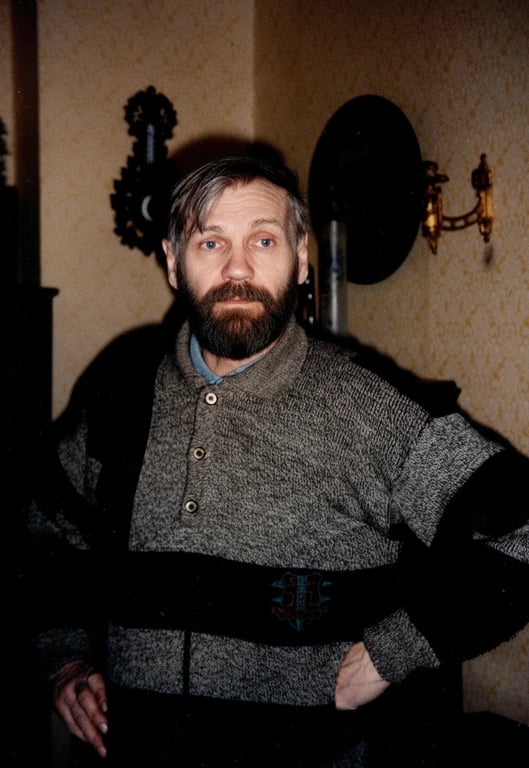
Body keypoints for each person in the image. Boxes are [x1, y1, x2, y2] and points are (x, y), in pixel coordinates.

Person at [24, 154, 529, 767]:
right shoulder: (117, 397)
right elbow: (45, 533)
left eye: (263, 240)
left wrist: (397, 650)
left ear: (301, 259)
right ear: (172, 261)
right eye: (211, 242)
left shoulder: (368, 409)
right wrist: (65, 659)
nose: (238, 269)